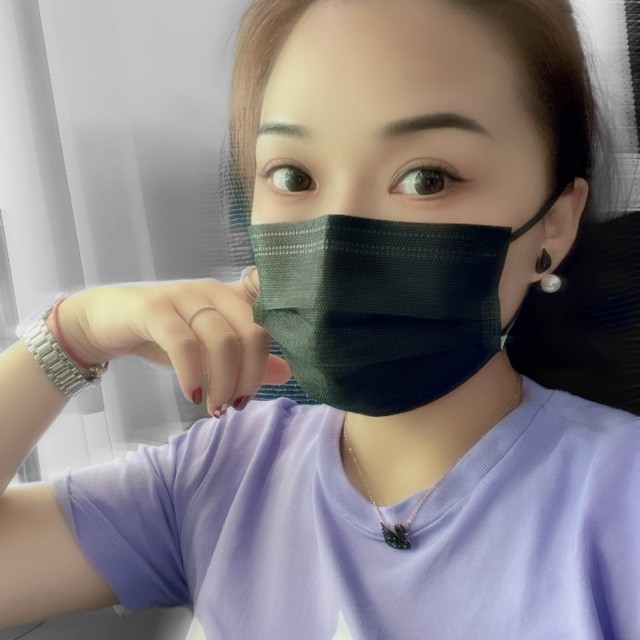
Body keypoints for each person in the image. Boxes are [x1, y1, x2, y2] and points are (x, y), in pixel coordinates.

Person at [1, 0, 639, 637]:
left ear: (555, 222)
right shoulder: (221, 473)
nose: (335, 239)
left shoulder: (620, 500)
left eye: (426, 178)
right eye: (292, 175)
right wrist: (71, 337)